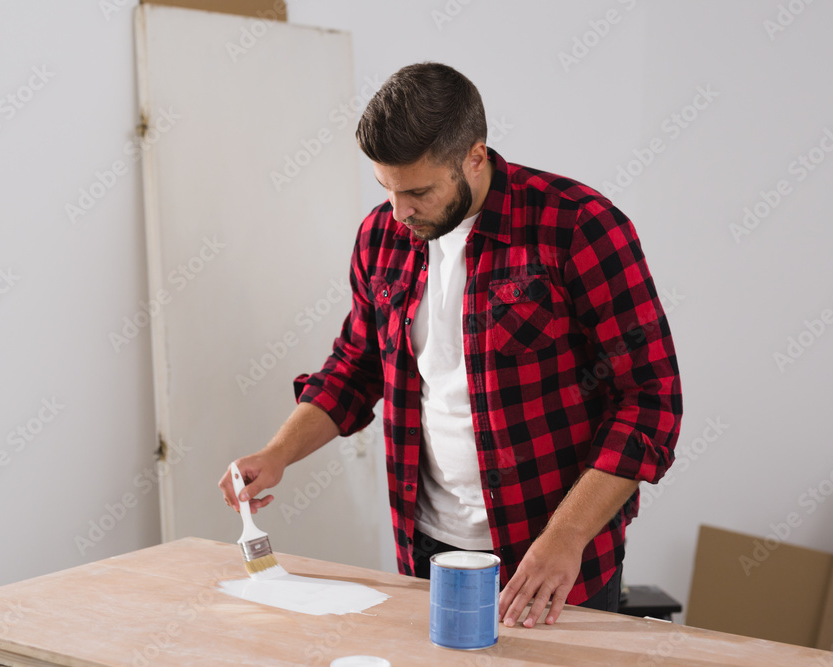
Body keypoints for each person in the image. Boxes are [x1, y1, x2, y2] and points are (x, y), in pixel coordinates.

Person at [220, 62, 682, 629]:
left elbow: (650, 400)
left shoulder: (578, 227)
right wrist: (276, 455)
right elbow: (355, 367)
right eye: (386, 189)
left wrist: (565, 537)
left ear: (475, 156)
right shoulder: (382, 236)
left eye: (417, 191)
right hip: (426, 553)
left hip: (556, 560)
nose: (399, 211)